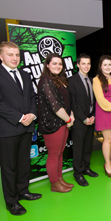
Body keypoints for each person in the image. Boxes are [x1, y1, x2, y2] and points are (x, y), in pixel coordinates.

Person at [0, 41, 41, 216]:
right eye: (10, 54)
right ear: (1, 56)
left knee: (24, 164)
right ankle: (12, 202)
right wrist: (20, 117)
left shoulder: (25, 74)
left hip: (27, 127)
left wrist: (32, 114)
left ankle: (23, 191)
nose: (15, 58)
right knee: (9, 167)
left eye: (17, 55)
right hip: (7, 129)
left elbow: (32, 97)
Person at [38, 53, 74, 193]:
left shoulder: (59, 79)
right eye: (54, 63)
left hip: (63, 122)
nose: (58, 66)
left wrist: (69, 116)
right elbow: (55, 106)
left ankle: (59, 179)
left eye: (60, 64)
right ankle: (54, 184)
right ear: (47, 65)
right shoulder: (45, 81)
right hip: (52, 124)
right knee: (54, 155)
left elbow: (66, 102)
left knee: (60, 153)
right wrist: (69, 119)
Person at [68, 54, 98, 187]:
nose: (86, 66)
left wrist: (93, 116)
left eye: (88, 63)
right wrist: (84, 118)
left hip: (91, 119)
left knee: (87, 146)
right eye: (83, 63)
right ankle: (78, 173)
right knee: (79, 148)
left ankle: (86, 167)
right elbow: (73, 103)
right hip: (79, 121)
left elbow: (96, 100)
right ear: (78, 65)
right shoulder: (71, 81)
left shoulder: (92, 80)